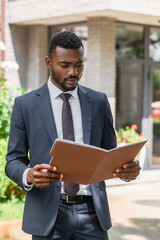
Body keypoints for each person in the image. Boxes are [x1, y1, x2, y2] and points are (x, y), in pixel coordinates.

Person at [5, 31, 141, 240]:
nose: (73, 72)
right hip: (48, 215)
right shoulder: (25, 105)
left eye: (79, 64)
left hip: (92, 216)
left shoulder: (98, 102)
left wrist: (126, 170)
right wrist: (29, 175)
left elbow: (111, 156)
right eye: (65, 65)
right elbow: (13, 160)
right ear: (49, 62)